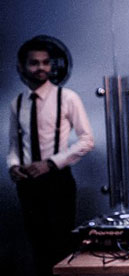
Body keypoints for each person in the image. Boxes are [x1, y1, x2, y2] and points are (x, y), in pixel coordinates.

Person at [7, 36, 94, 276]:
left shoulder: (67, 98)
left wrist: (51, 163)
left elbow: (87, 140)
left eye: (45, 62)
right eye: (34, 63)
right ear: (22, 67)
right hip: (28, 185)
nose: (41, 68)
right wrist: (13, 166)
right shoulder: (17, 103)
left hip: (57, 181)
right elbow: (14, 144)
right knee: (38, 245)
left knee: (61, 245)